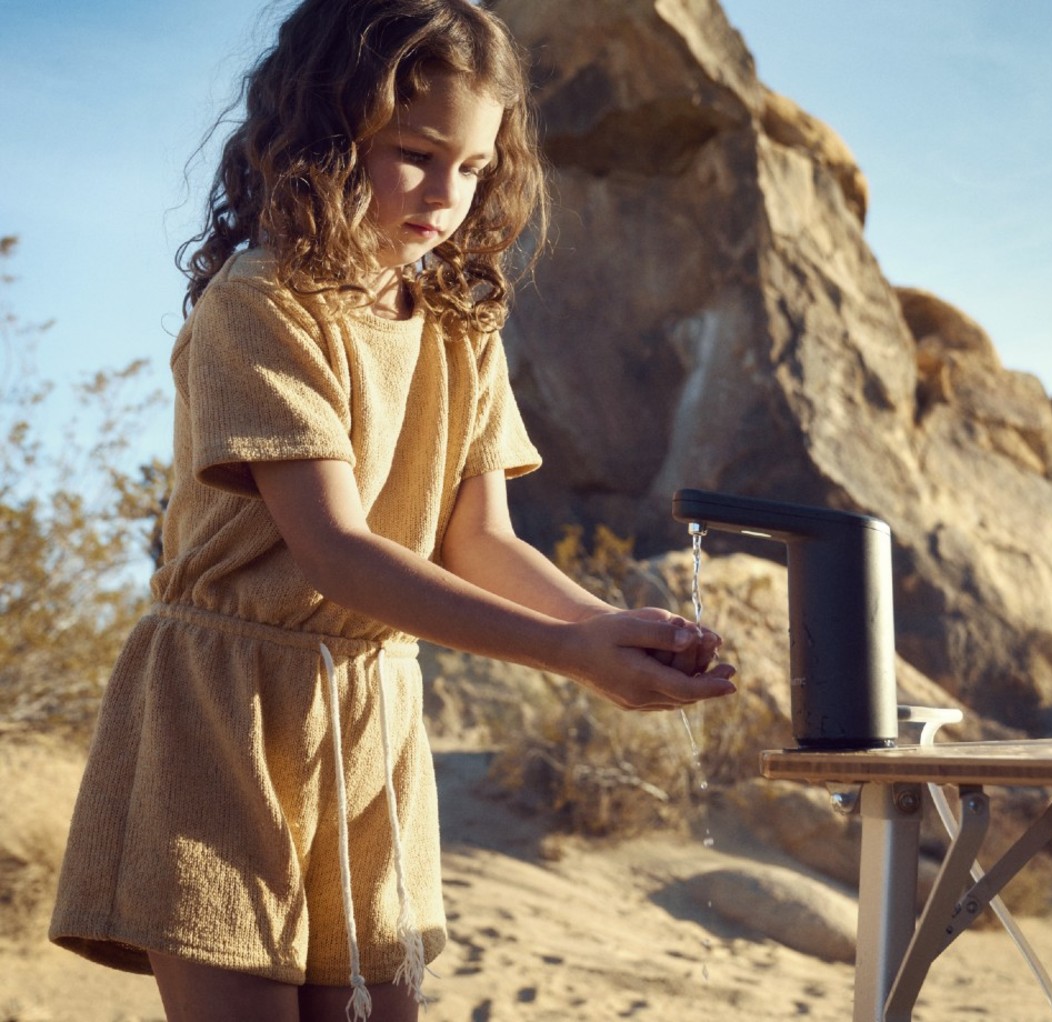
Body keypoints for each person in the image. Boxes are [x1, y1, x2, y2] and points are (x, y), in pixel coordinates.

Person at [49, 1, 737, 1019]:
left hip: (372, 722)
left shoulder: (461, 326)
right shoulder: (261, 302)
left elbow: (480, 540)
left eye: (472, 167)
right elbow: (338, 551)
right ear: (327, 131)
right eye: (416, 153)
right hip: (223, 715)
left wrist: (600, 628)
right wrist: (569, 656)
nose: (446, 195)